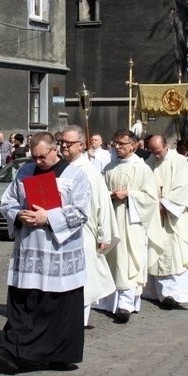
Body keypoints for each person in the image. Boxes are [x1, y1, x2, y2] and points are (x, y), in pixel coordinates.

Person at [0, 132, 90, 372]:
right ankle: (17, 351)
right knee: (25, 301)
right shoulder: (24, 173)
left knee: (56, 306)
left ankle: (57, 354)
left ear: (55, 149)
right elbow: (7, 202)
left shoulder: (75, 175)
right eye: (35, 157)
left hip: (59, 251)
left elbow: (82, 212)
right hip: (29, 249)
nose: (39, 161)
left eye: (43, 156)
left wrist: (48, 217)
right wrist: (18, 214)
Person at [58, 125, 118, 327]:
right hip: (61, 231)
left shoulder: (90, 172)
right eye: (62, 142)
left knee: (83, 278)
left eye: (69, 143)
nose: (64, 146)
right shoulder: (61, 168)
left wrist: (104, 235)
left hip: (84, 232)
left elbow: (102, 204)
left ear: (81, 145)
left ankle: (79, 321)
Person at [97, 129, 159, 323]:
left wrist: (129, 195)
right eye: (115, 143)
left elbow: (151, 198)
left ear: (133, 145)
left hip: (132, 223)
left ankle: (125, 304)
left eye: (122, 143)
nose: (117, 147)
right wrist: (110, 194)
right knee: (111, 259)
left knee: (128, 261)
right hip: (112, 218)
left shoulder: (142, 169)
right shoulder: (109, 167)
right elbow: (101, 193)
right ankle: (108, 301)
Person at [143, 135, 188, 310]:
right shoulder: (149, 161)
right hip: (154, 216)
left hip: (172, 216)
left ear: (166, 146)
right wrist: (150, 205)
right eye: (152, 151)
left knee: (174, 253)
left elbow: (183, 188)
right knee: (155, 251)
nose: (156, 155)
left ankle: (174, 293)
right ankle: (155, 292)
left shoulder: (179, 161)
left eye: (158, 151)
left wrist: (165, 205)